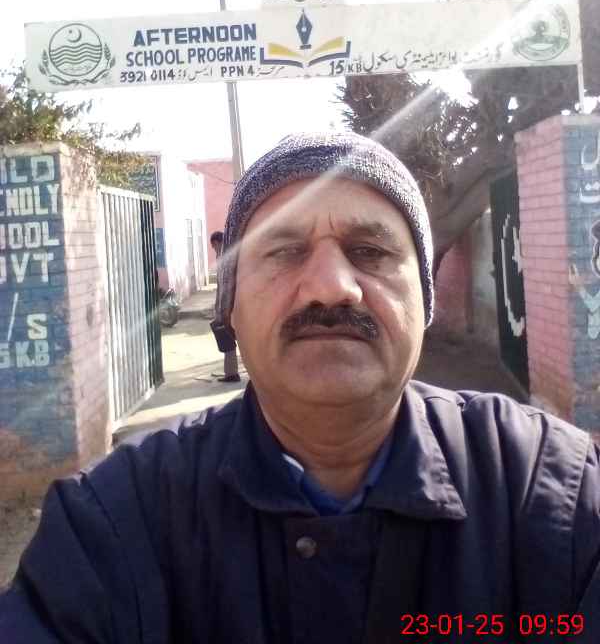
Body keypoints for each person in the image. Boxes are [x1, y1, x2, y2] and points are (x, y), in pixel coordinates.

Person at [1, 130, 600, 644]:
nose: (332, 286)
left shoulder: (547, 491)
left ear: (425, 302)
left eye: (370, 251)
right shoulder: (111, 521)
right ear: (231, 307)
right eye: (285, 252)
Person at [209, 229, 241, 382]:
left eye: (213, 246)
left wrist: (221, 308)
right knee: (229, 338)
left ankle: (232, 374)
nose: (214, 249)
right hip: (230, 303)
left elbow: (225, 285)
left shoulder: (225, 257)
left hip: (229, 304)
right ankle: (231, 372)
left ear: (216, 243)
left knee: (228, 338)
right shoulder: (226, 255)